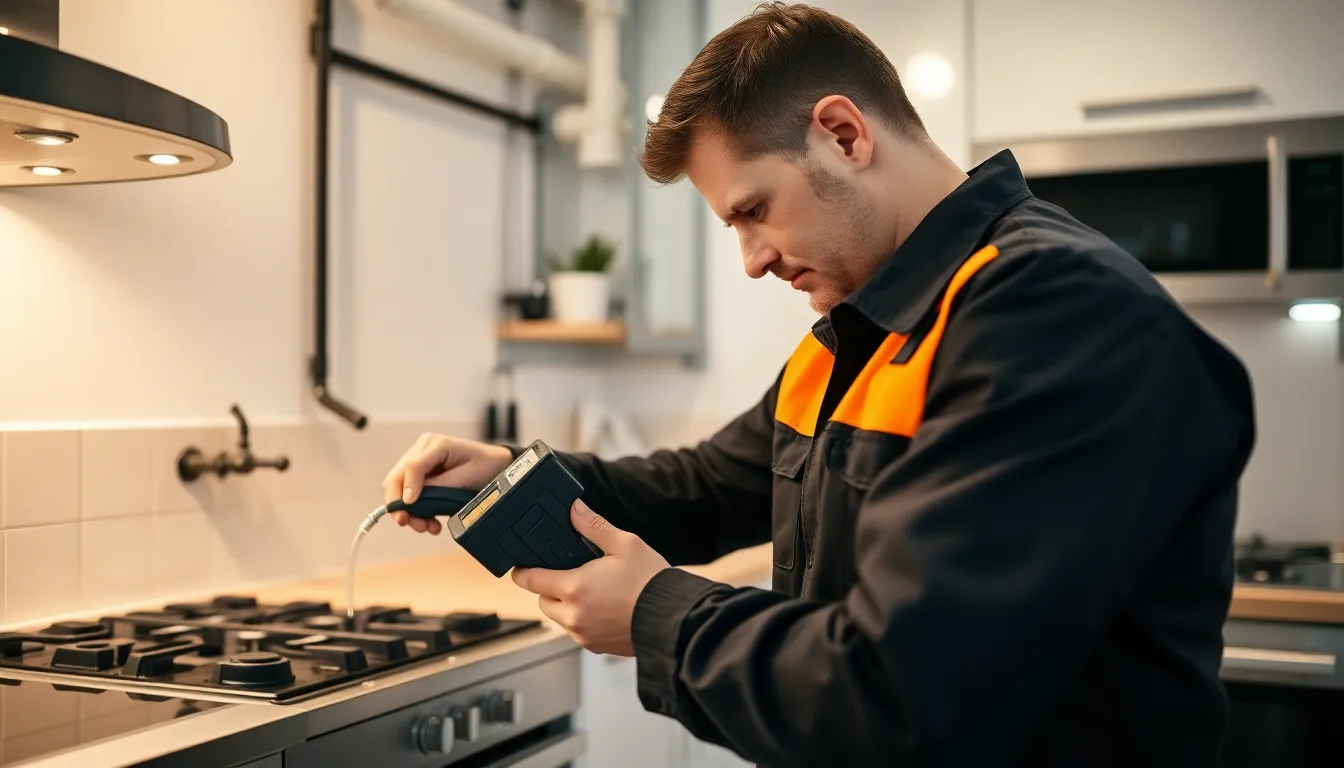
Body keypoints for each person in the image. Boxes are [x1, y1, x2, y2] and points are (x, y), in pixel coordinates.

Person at [381, 3, 1257, 765]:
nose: (753, 260)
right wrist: (511, 475)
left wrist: (657, 615)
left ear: (844, 134)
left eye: (753, 211)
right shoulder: (860, 336)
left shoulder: (1054, 314)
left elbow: (910, 694)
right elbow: (704, 487)